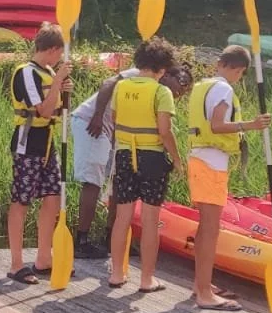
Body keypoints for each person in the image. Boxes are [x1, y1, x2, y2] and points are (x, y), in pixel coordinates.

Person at [71, 64, 192, 258]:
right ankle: (81, 241)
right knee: (93, 181)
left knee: (118, 185)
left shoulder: (157, 92)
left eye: (187, 90)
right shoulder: (141, 73)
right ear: (167, 73)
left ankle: (111, 238)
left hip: (116, 134)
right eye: (182, 83)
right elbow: (108, 83)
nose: (182, 91)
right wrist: (98, 115)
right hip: (92, 123)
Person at [188, 45, 271, 311]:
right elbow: (217, 125)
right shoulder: (223, 88)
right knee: (211, 229)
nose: (239, 78)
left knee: (205, 226)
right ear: (237, 69)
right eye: (241, 74)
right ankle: (204, 293)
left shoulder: (203, 84)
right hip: (211, 162)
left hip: (200, 158)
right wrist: (251, 125)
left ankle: (202, 283)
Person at [106, 37, 184, 293]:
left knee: (122, 217)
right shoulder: (162, 92)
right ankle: (147, 279)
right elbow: (164, 130)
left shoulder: (121, 87)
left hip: (125, 155)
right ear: (162, 69)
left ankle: (117, 273)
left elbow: (115, 119)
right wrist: (176, 158)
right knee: (151, 220)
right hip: (152, 158)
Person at [5, 24, 72, 284]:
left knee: (53, 197)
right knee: (22, 199)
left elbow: (58, 110)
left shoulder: (49, 72)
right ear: (53, 49)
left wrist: (64, 89)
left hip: (48, 141)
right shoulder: (26, 73)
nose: (60, 58)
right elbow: (42, 110)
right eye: (59, 53)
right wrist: (57, 82)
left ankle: (44, 257)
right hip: (28, 140)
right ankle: (16, 263)